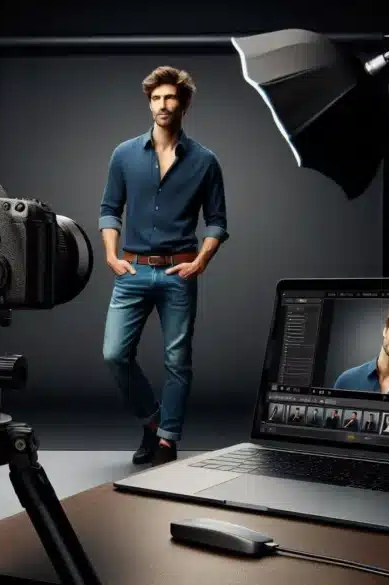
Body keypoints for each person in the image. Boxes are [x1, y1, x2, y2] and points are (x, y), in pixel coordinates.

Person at [99, 65, 230, 466]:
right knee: (114, 354)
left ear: (183, 103)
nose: (162, 104)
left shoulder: (205, 161)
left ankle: (168, 440)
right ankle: (152, 422)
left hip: (179, 273)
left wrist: (201, 262)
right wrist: (110, 254)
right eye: (156, 98)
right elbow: (109, 210)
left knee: (177, 361)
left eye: (170, 97)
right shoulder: (124, 154)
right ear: (149, 103)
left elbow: (218, 222)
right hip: (133, 271)